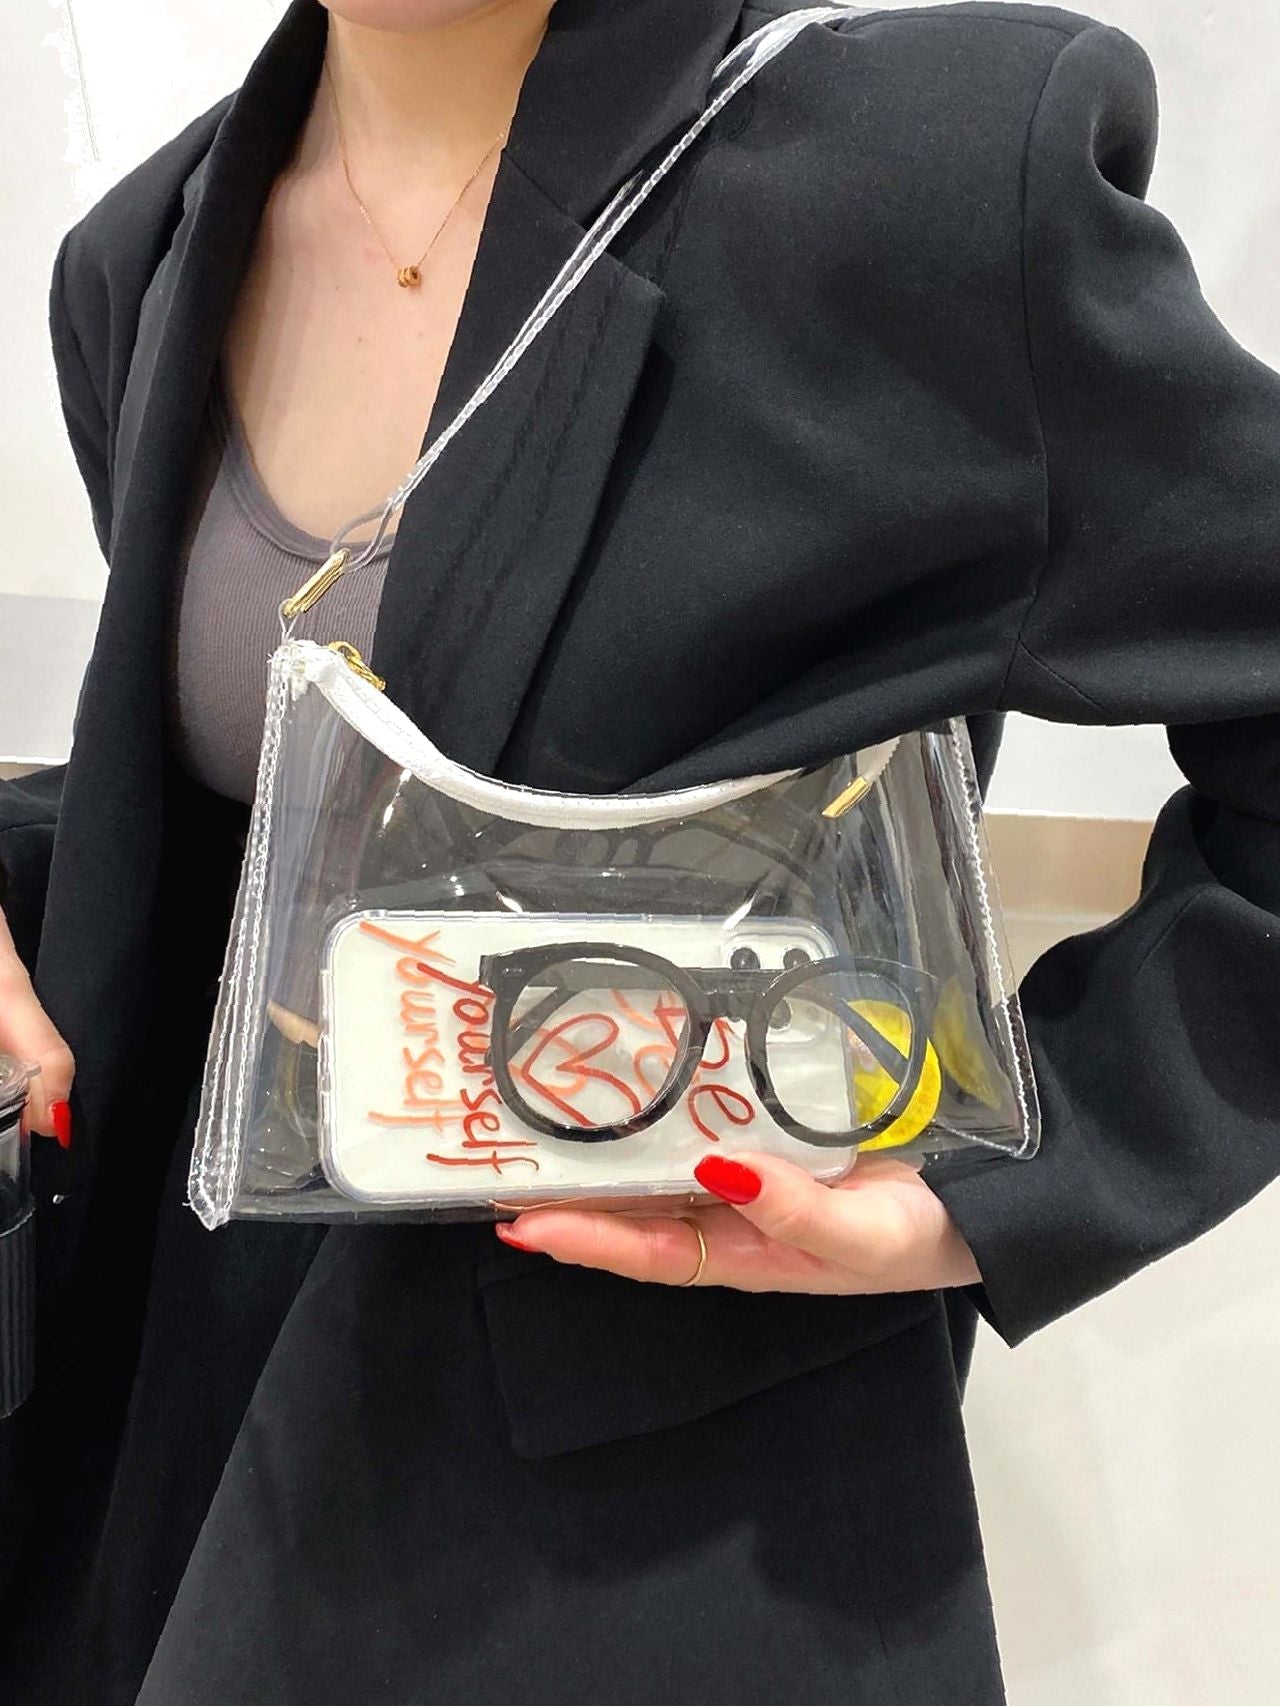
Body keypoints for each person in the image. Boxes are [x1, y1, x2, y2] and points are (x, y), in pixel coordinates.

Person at [1, 0, 1278, 1699]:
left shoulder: (923, 184)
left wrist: (1018, 1171)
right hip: (174, 1454)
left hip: (643, 1548)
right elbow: (275, 827)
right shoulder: (142, 261)